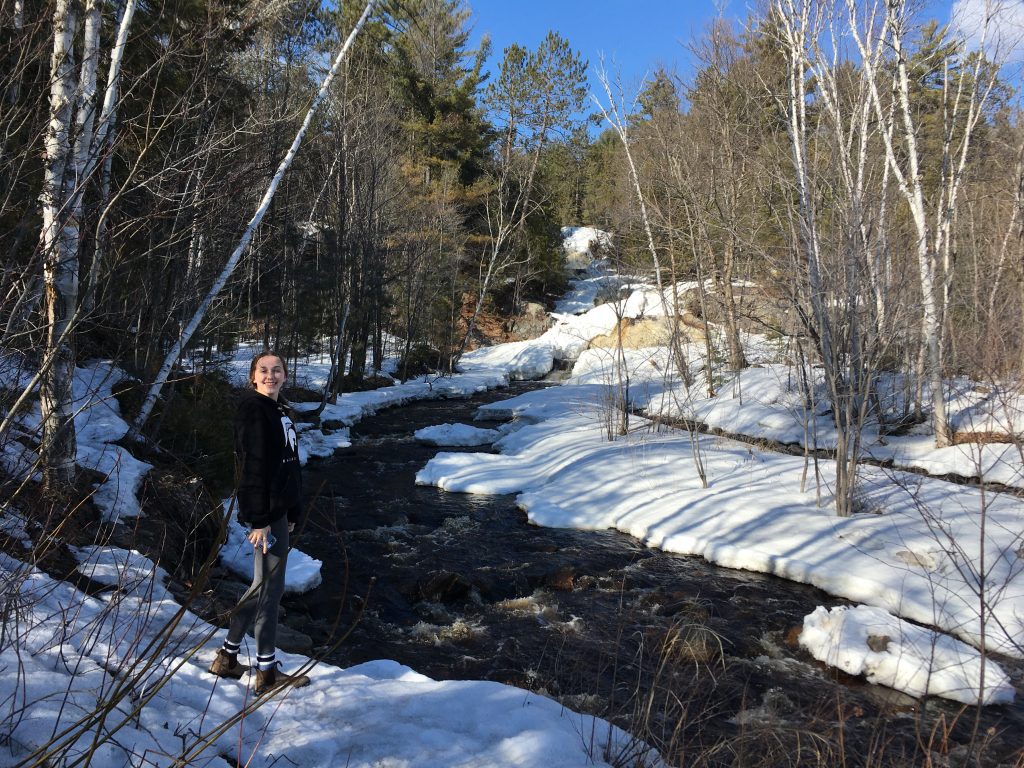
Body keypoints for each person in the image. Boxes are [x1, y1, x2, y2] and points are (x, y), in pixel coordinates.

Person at [209, 350, 310, 696]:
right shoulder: (254, 410)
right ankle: (266, 674)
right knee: (269, 589)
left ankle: (227, 658)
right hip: (266, 516)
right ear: (253, 376)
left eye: (277, 370)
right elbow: (251, 468)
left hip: (279, 513)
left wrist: (292, 512)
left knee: (262, 585)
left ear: (285, 375)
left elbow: (288, 465)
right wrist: (259, 519)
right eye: (263, 370)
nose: (271, 375)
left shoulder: (280, 410)